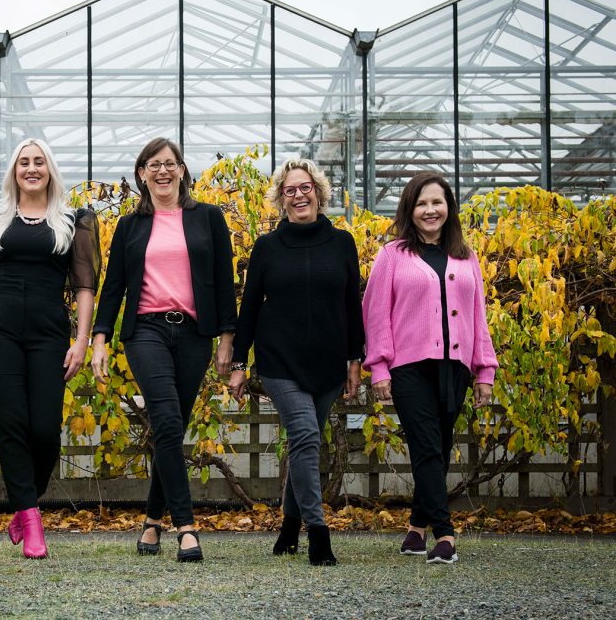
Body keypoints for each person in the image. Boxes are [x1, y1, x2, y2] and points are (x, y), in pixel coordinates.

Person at [91, 137, 236, 563]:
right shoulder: (130, 226)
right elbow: (113, 285)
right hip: (147, 332)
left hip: (195, 334)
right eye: (154, 164)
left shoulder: (208, 218)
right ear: (142, 173)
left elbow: (225, 283)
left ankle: (152, 519)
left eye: (171, 163)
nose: (163, 171)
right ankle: (185, 527)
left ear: (182, 170)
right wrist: (100, 337)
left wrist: (227, 337)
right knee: (168, 419)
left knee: (171, 429)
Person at [0, 138, 100, 559]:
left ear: (50, 169)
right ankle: (32, 516)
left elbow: (84, 287)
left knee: (43, 429)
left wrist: (80, 341)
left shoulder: (72, 221)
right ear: (14, 171)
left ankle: (24, 504)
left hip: (48, 333)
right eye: (24, 162)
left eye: (39, 161)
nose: (31, 168)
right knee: (10, 423)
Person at [228, 158, 363, 566]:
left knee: (305, 442)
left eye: (306, 187)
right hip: (279, 361)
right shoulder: (267, 247)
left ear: (318, 193)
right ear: (281, 198)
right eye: (290, 189)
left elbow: (351, 307)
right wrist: (239, 363)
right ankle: (318, 534)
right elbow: (249, 308)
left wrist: (355, 360)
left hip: (328, 363)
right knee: (305, 436)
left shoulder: (343, 243)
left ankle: (288, 526)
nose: (299, 194)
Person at [362, 172, 497, 565]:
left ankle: (416, 530)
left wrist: (484, 371)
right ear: (410, 209)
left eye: (437, 202)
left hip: (454, 367)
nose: (430, 210)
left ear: (449, 207)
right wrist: (380, 369)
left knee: (437, 448)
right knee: (425, 448)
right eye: (421, 203)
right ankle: (445, 533)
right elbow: (376, 316)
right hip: (408, 368)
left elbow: (478, 318)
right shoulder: (392, 255)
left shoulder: (465, 256)